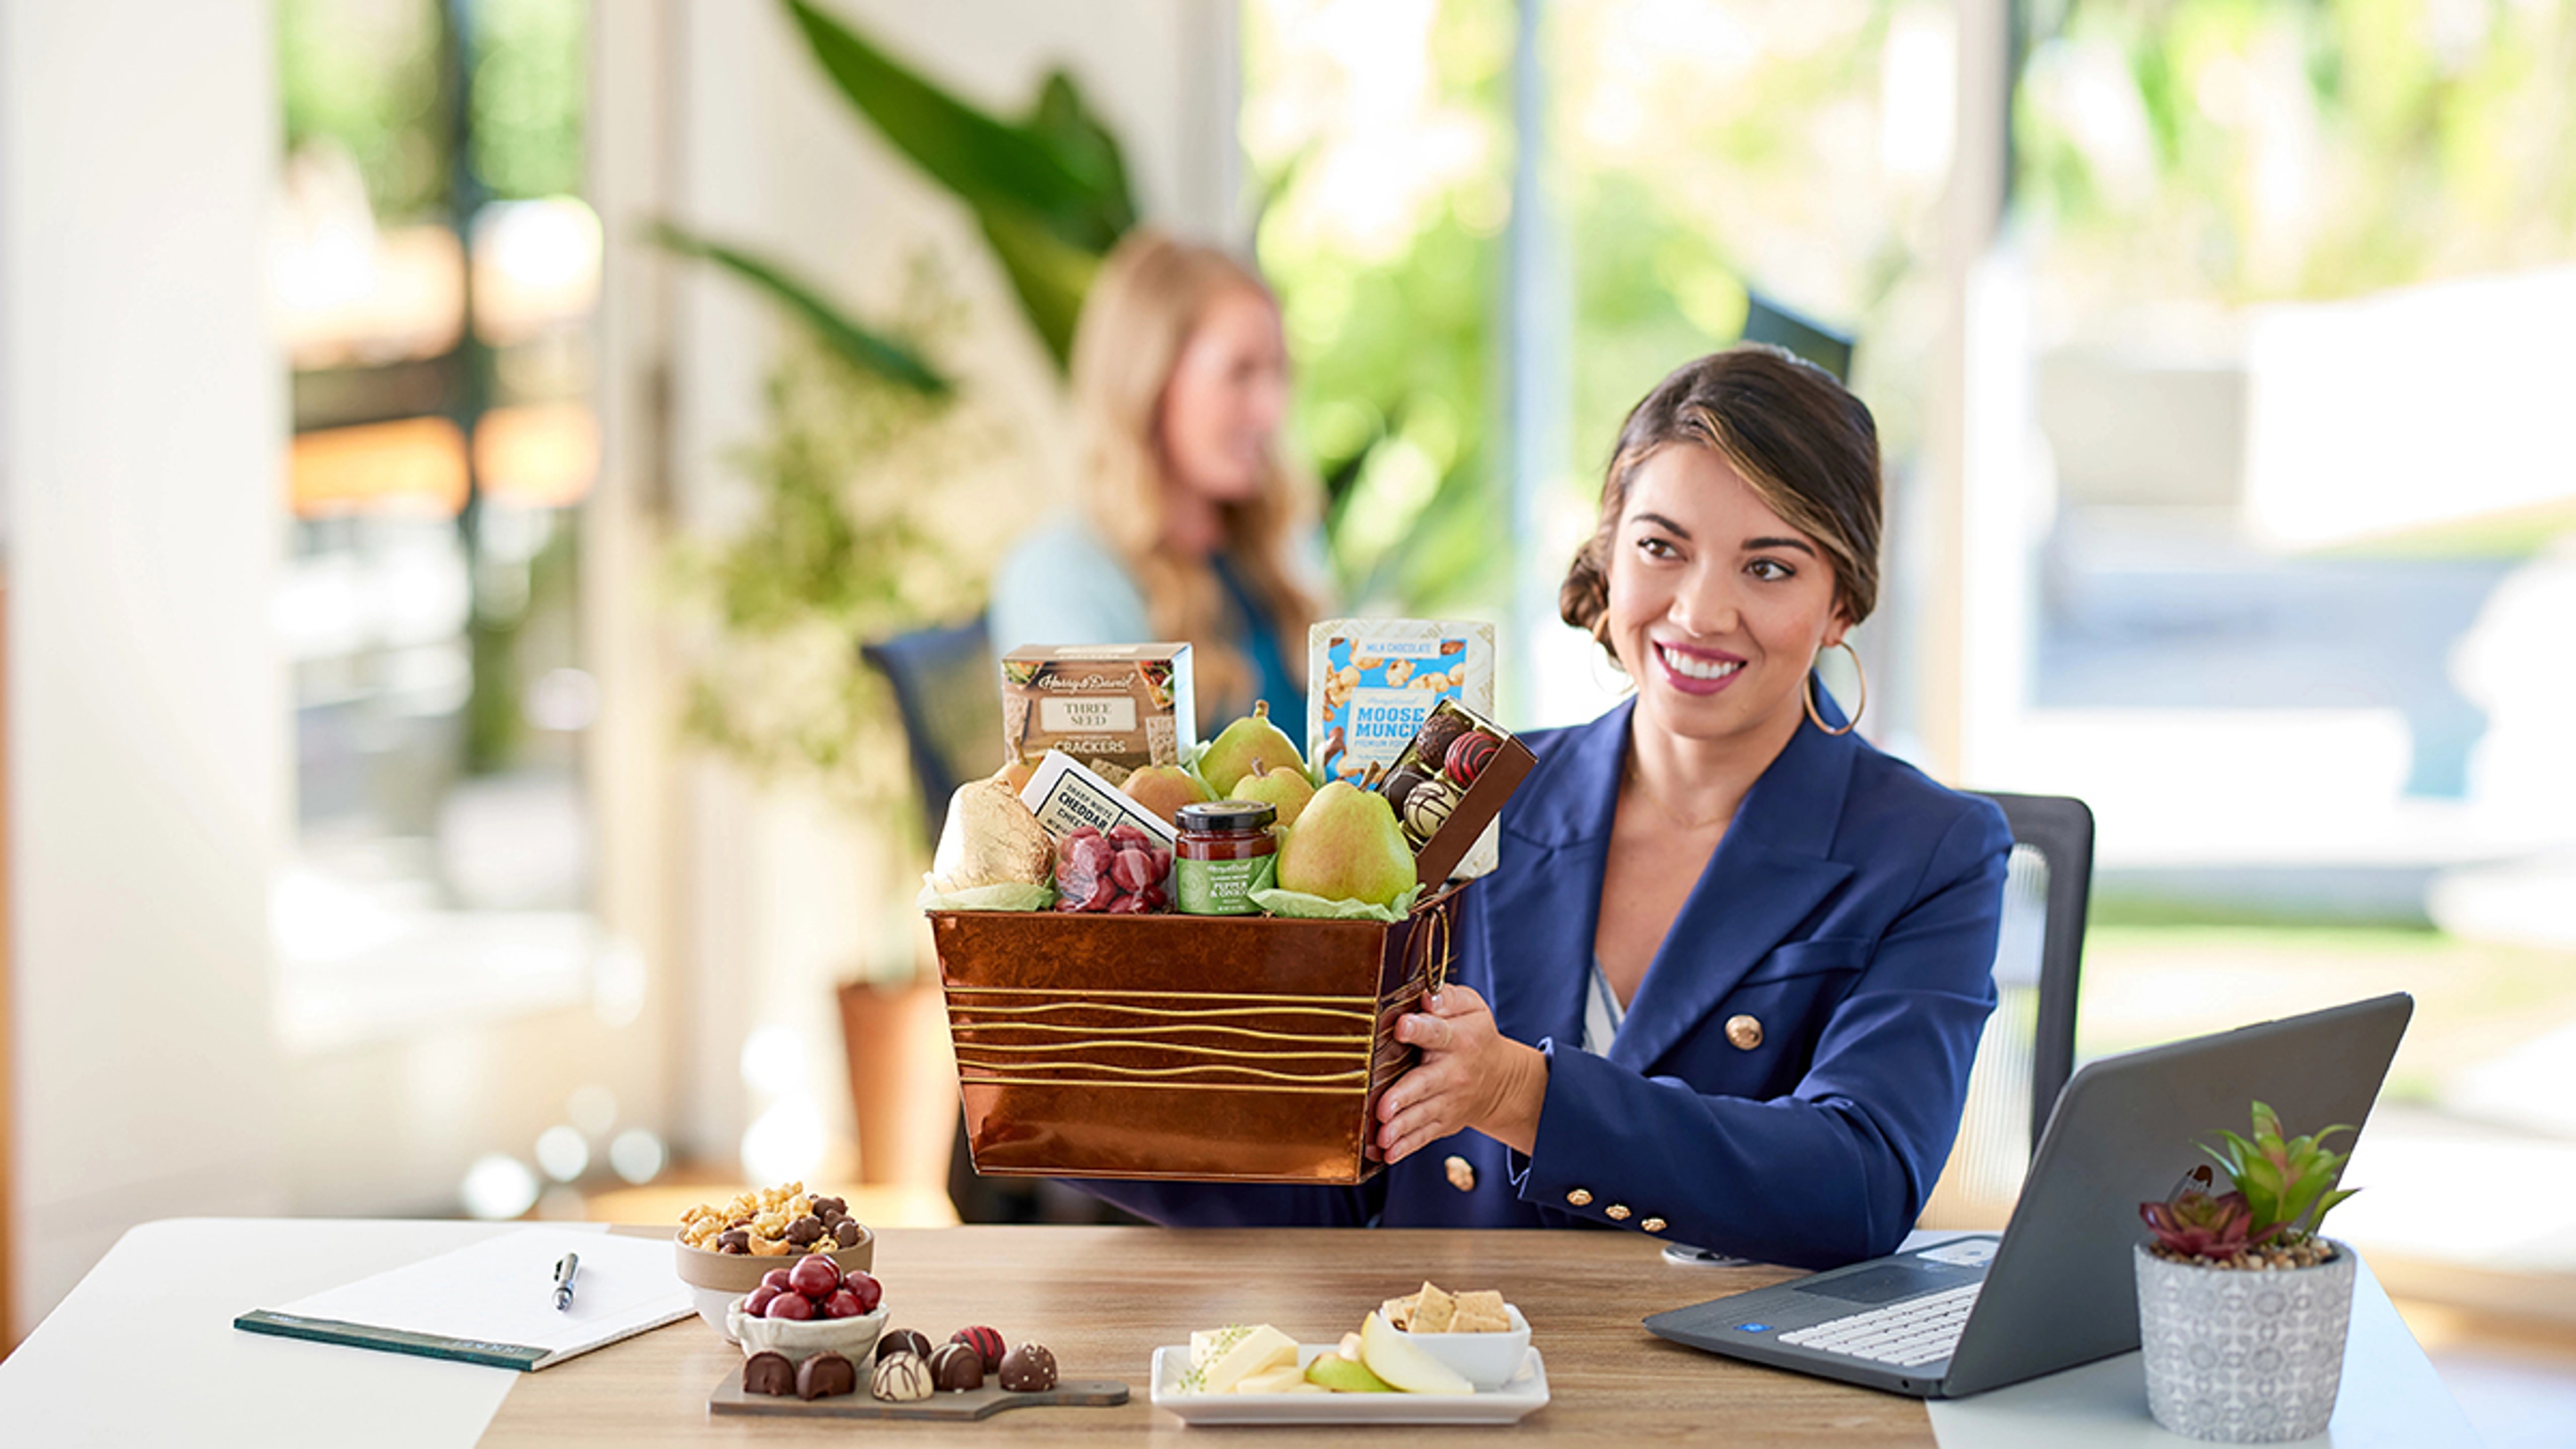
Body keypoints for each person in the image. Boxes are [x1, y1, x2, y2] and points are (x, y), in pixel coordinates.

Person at [1071, 346, 2012, 1271]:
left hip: (1730, 1394)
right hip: (1449, 1373)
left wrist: (1526, 1093)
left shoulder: (1934, 851)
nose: (1699, 612)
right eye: (1661, 549)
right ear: (1608, 560)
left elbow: (1860, 1182)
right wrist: (1075, 1090)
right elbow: (1347, 1173)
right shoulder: (1470, 796)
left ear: (1843, 601)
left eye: (1767, 568)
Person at [988, 227, 1326, 731]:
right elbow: (1097, 798)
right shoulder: (1058, 576)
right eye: (1240, 373)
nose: (1271, 409)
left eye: (1279, 373)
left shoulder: (1282, 538)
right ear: (1150, 383)